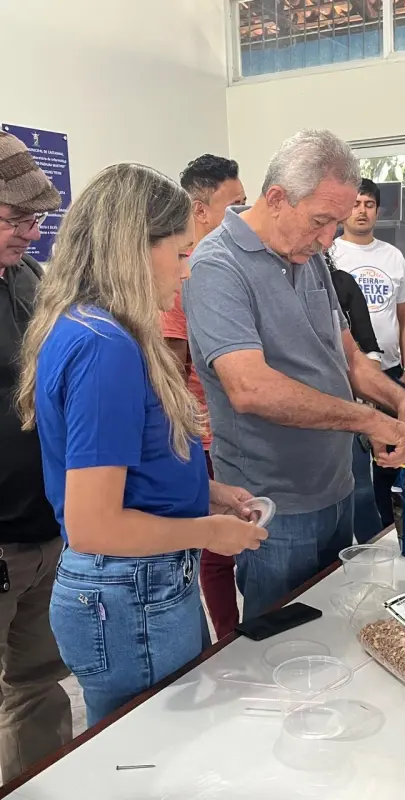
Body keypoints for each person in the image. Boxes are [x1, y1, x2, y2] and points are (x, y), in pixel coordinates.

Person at [16, 163, 266, 727]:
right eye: (180, 253)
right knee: (155, 747)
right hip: (129, 590)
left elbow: (129, 469)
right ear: (133, 248)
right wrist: (209, 532)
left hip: (137, 585)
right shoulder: (104, 345)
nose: (186, 271)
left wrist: (209, 493)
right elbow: (94, 524)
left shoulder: (98, 328)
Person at [184, 129, 405, 620]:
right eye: (321, 221)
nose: (329, 238)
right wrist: (370, 421)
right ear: (277, 199)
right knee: (283, 641)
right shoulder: (217, 265)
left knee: (338, 625)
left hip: (335, 487)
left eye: (337, 224)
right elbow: (249, 387)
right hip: (275, 502)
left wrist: (404, 403)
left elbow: (348, 358)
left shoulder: (308, 256)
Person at [0, 131, 73, 781]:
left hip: (44, 525)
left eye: (36, 218)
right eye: (16, 218)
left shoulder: (28, 278)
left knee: (38, 684)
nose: (31, 232)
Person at [161, 155, 246, 641]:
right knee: (215, 549)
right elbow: (173, 371)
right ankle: (229, 637)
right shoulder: (183, 276)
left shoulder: (227, 265)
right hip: (204, 436)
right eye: (234, 205)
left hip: (236, 429)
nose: (243, 215)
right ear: (200, 209)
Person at [332, 178, 405, 527]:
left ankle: (390, 527)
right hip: (348, 374)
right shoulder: (330, 254)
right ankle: (361, 533)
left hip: (390, 371)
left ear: (377, 211)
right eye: (355, 204)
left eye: (369, 204)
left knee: (392, 457)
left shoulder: (392, 256)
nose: (362, 211)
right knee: (353, 463)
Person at [324, 248, 383, 543]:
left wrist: (371, 409)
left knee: (361, 492)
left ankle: (374, 554)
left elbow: (368, 348)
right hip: (302, 415)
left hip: (349, 404)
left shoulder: (341, 282)